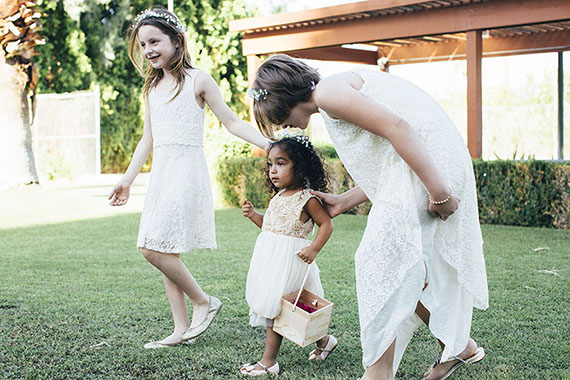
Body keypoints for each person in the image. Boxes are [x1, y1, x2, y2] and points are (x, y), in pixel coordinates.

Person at [249, 54, 489, 380]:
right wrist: (343, 201)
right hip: (427, 162)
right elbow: (390, 162)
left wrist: (440, 192)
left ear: (286, 96)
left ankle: (379, 373)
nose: (282, 126)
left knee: (378, 262)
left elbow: (399, 128)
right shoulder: (331, 93)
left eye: (277, 115)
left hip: (433, 165)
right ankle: (459, 346)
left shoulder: (328, 93)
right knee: (404, 268)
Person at [108, 8, 270, 349]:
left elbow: (232, 122)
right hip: (162, 173)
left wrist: (270, 145)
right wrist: (127, 179)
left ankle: (204, 301)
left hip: (186, 170)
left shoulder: (199, 80)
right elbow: (147, 139)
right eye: (143, 44)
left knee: (153, 248)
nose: (149, 49)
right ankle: (180, 329)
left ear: (176, 41)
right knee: (166, 249)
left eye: (155, 41)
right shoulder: (151, 88)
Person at [239, 135, 336, 376]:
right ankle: (324, 341)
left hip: (292, 261)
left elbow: (326, 225)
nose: (273, 170)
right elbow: (272, 226)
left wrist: (313, 249)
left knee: (279, 308)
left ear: (300, 166)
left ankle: (268, 361)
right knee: (297, 310)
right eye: (270, 164)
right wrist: (254, 216)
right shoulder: (278, 196)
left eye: (281, 163)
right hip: (270, 260)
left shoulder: (308, 199)